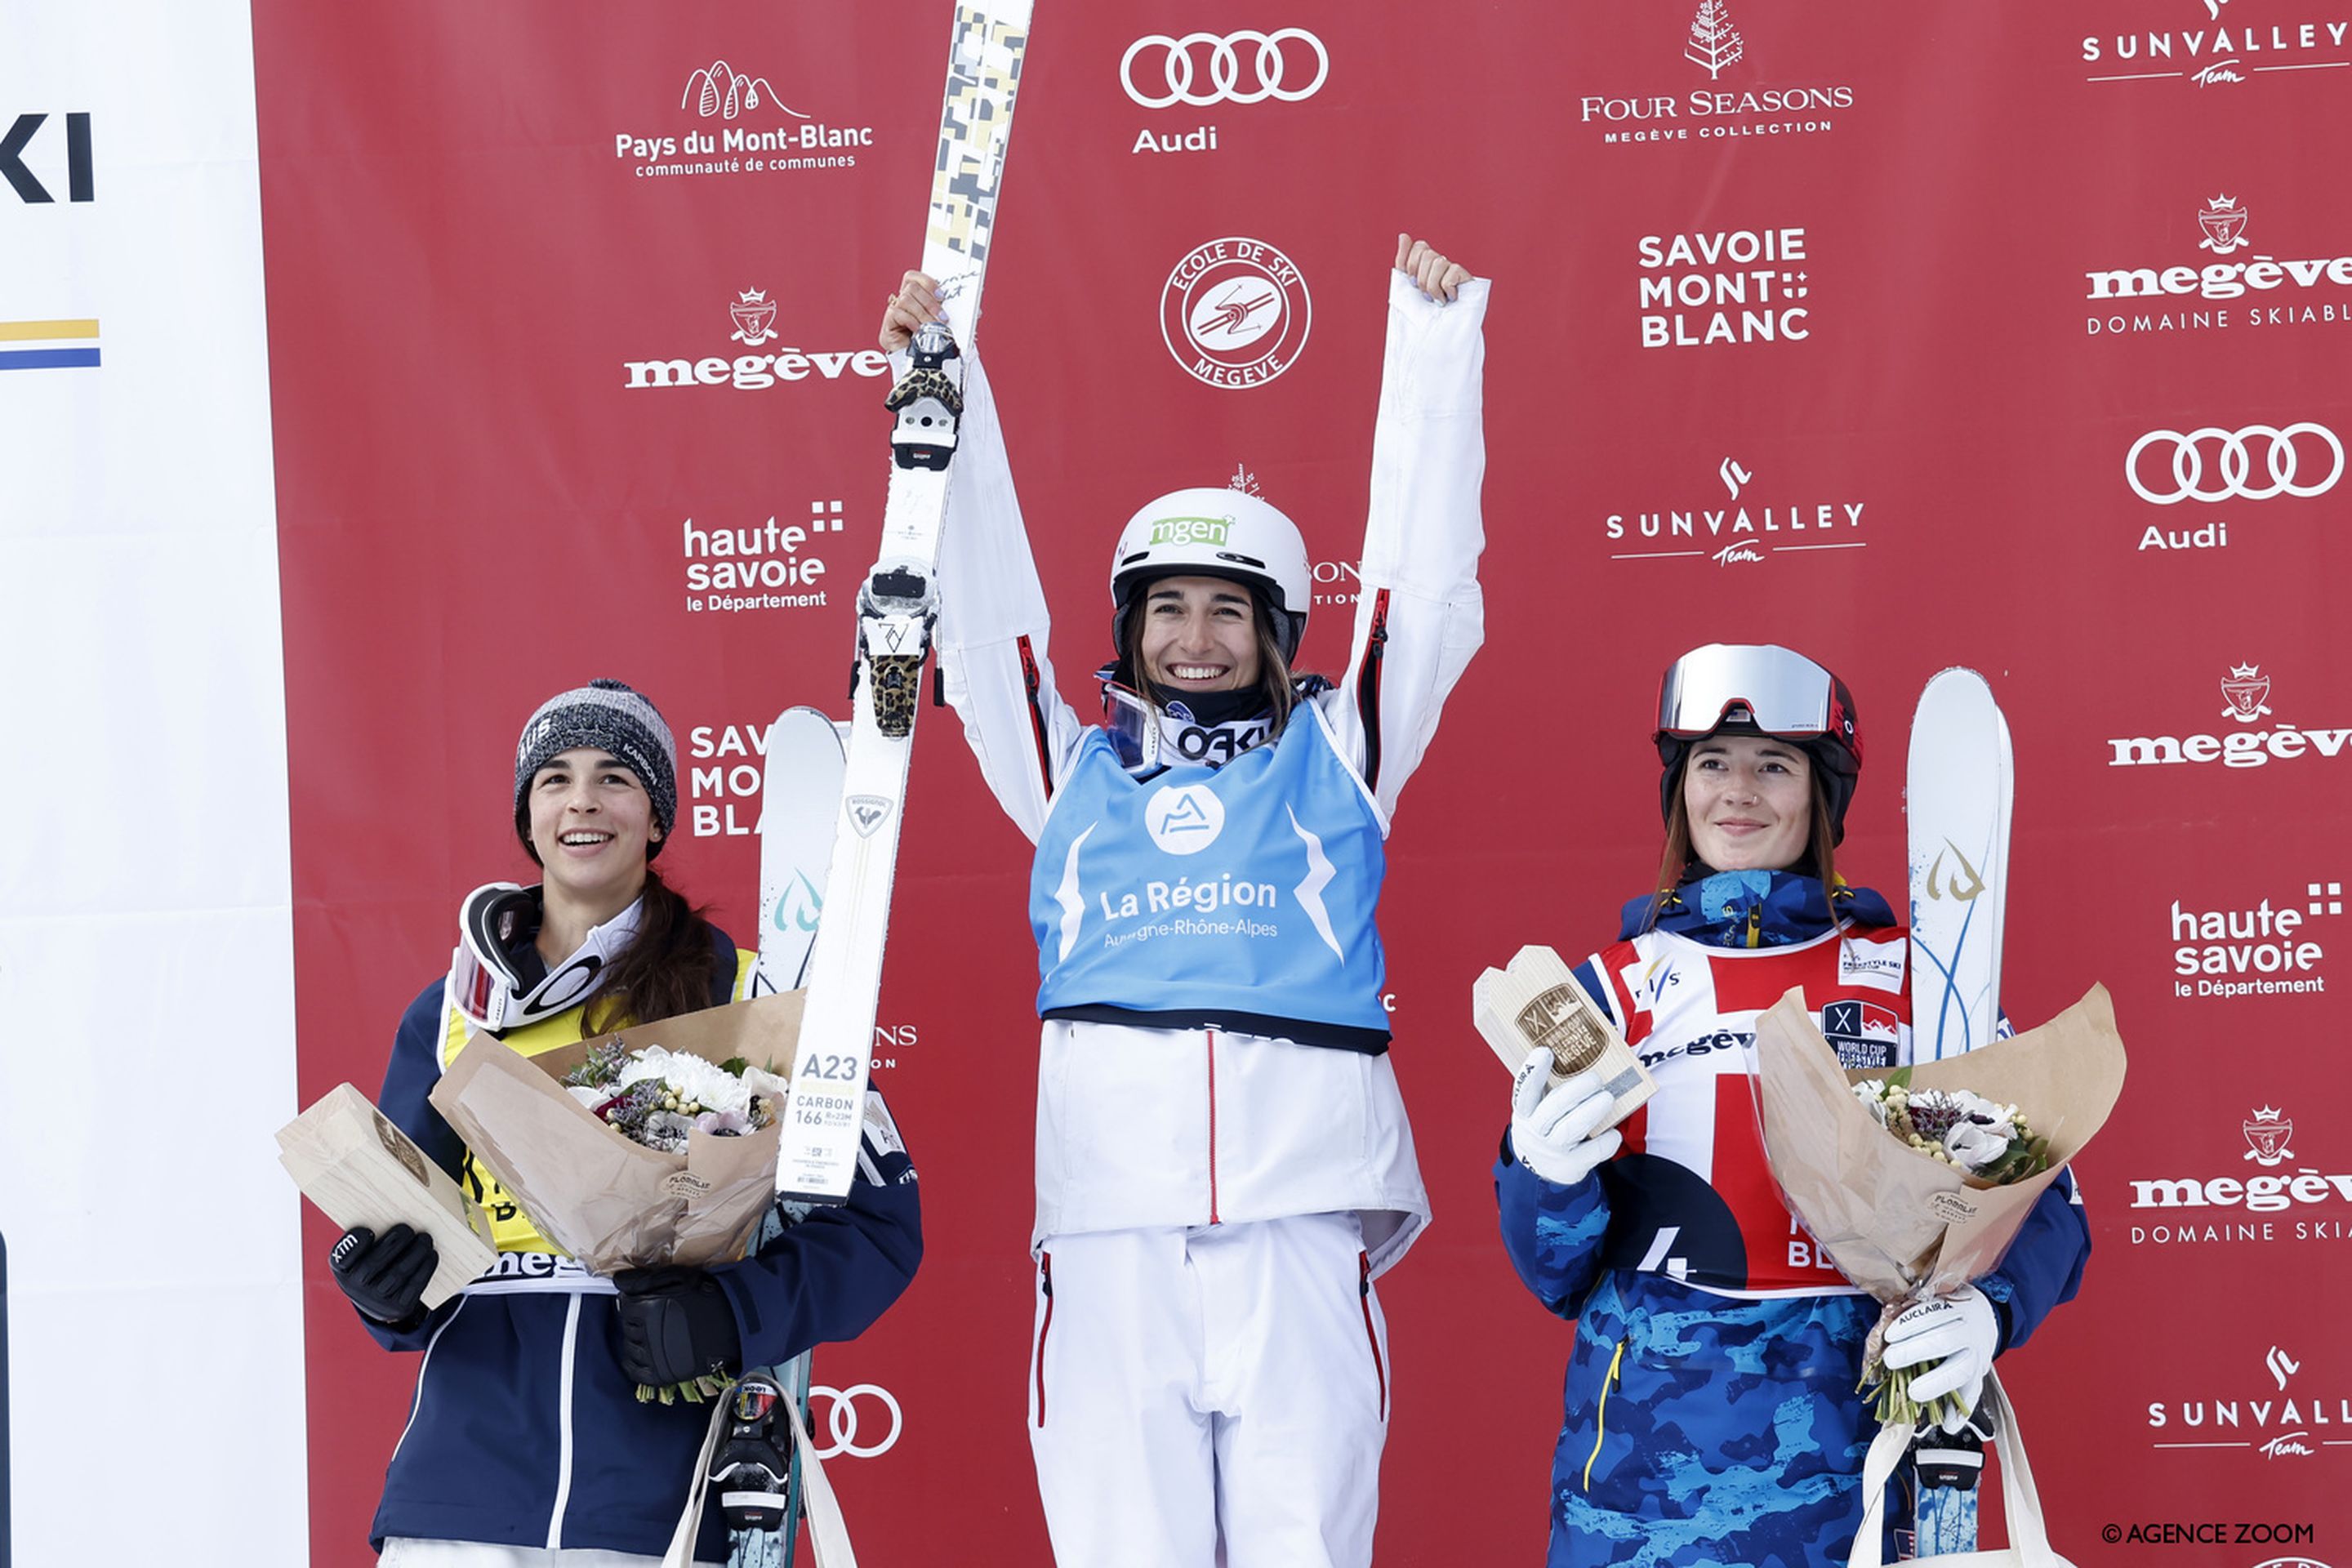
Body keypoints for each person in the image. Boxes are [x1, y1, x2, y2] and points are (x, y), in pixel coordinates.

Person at [875, 234, 1486, 1568]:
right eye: (1165, 611)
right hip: (1110, 1239)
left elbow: (1420, 597)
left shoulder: (1342, 756)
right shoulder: (1068, 772)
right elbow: (987, 635)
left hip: (1299, 1226)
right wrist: (944, 401)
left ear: (1278, 634)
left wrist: (1434, 354)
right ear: (1128, 627)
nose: (1193, 638)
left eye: (1227, 611)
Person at [1493, 643, 2091, 1566]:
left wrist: (1992, 1311)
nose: (1739, 792)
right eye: (1712, 765)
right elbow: (1554, 1275)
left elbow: (2044, 1197)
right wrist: (1545, 1176)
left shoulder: (1915, 983)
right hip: (1643, 1479)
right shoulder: (1607, 993)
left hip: (1856, 1445)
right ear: (1678, 790)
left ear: (1824, 794)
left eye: (1774, 765)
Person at [327, 677, 923, 1566]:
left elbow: (879, 1228)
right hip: (464, 1486)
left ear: (657, 818)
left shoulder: (753, 993)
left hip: (658, 1492)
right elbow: (412, 1253)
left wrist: (730, 1314)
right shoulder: (452, 1012)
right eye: (555, 779)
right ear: (528, 818)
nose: (583, 802)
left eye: (616, 777)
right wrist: (385, 1287)